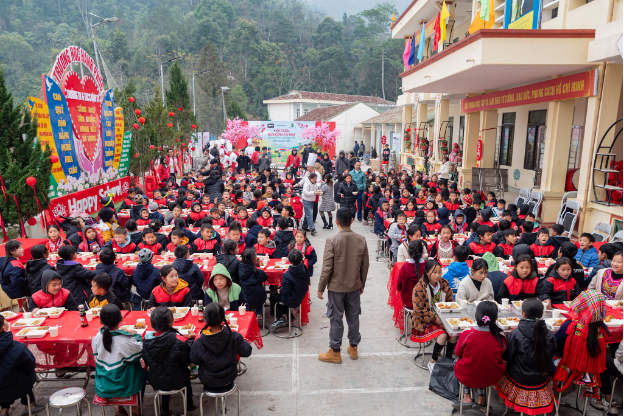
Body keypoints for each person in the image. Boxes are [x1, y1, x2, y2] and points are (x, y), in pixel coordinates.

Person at [317, 208, 369, 364]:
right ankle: (353, 347)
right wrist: (362, 283)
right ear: (352, 220)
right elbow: (365, 265)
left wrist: (321, 287)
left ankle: (335, 351)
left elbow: (327, 267)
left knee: (336, 319)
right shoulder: (361, 239)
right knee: (353, 317)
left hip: (336, 288)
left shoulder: (332, 240)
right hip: (354, 285)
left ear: (336, 221)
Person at [551, 290, 609, 411]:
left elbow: (555, 345)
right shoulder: (603, 329)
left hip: (570, 367)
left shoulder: (570, 326)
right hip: (591, 370)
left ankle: (545, 394)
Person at [496, 298, 556, 415]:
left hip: (518, 376)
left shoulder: (515, 333)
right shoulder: (549, 334)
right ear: (541, 313)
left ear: (523, 313)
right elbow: (550, 358)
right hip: (541, 377)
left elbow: (509, 358)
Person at [453, 301, 507, 410]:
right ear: (496, 318)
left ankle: (467, 396)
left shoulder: (467, 333)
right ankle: (482, 399)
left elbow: (457, 353)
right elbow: (504, 355)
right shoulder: (500, 337)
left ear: (476, 315)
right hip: (492, 378)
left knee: (463, 360)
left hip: (467, 376)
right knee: (484, 361)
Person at [91, 304, 144, 416]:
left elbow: (96, 355)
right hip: (125, 384)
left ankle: (118, 409)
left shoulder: (96, 338)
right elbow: (138, 353)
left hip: (104, 384)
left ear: (100, 322)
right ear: (121, 319)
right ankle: (135, 410)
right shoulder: (125, 339)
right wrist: (137, 336)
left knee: (113, 365)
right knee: (135, 366)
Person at [143, 307, 195, 415]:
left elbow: (147, 362)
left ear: (152, 324)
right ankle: (189, 403)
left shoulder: (146, 342)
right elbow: (188, 359)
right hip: (179, 379)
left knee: (164, 371)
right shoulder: (178, 341)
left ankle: (165, 408)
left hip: (156, 381)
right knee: (182, 373)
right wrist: (190, 340)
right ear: (171, 322)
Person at [190, 303, 252, 392]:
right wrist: (243, 341)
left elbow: (194, 360)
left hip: (208, 379)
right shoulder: (234, 336)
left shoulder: (199, 342)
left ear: (205, 319)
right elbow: (246, 352)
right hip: (229, 377)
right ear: (224, 317)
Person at [411, 259, 458, 373]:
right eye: (434, 272)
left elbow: (451, 302)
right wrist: (435, 319)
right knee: (443, 335)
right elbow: (418, 310)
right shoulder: (419, 287)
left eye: (439, 272)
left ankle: (448, 359)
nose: (438, 275)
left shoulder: (444, 284)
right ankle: (433, 361)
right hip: (424, 320)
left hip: (442, 318)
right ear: (427, 272)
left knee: (454, 334)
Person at [0, 314, 43, 416]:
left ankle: (4, 409)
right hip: (18, 388)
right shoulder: (17, 346)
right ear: (3, 328)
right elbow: (31, 364)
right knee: (25, 372)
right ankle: (30, 404)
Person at [269, 249, 309, 330]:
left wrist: (280, 290)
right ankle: (288, 315)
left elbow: (286, 291)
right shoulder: (304, 268)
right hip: (301, 295)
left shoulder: (288, 274)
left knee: (273, 296)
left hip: (292, 299)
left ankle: (280, 318)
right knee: (280, 294)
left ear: (289, 260)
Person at [396, 240, 426, 310]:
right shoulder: (427, 266)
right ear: (422, 252)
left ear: (409, 252)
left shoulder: (404, 267)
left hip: (408, 301)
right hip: (425, 302)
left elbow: (399, 287)